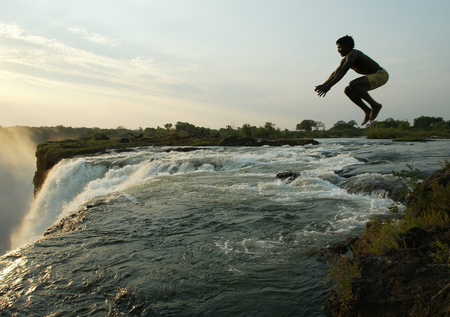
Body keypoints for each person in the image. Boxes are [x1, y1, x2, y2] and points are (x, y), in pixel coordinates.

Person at [315, 35, 389, 125]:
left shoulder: (354, 53)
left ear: (347, 46)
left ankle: (375, 105)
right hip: (372, 76)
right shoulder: (344, 60)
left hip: (381, 75)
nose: (338, 50)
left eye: (340, 47)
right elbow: (334, 73)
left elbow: (343, 71)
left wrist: (329, 86)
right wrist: (324, 84)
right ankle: (367, 110)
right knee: (348, 90)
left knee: (353, 84)